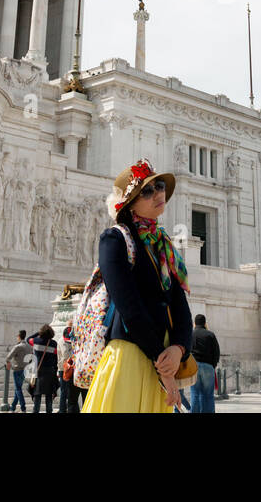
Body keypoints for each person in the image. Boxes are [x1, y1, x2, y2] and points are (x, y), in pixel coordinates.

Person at [83, 159, 193, 413]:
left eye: (160, 186)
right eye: (147, 191)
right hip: (131, 357)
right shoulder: (114, 239)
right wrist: (162, 362)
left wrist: (179, 348)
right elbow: (129, 306)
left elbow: (180, 305)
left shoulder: (163, 245)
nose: (158, 193)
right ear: (129, 203)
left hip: (164, 360)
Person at [190, 314, 220, 414]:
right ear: (204, 323)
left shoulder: (191, 334)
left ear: (194, 323)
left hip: (194, 366)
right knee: (208, 395)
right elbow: (216, 352)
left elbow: (187, 351)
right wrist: (213, 365)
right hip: (208, 366)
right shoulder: (210, 335)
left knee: (195, 393)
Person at [27, 325, 59, 413]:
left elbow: (28, 339)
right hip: (50, 372)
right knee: (49, 397)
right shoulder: (54, 343)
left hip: (38, 371)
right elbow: (55, 358)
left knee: (37, 396)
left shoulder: (36, 341)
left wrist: (38, 333)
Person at [6, 330, 31, 413]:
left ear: (19, 336)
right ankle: (13, 407)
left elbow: (8, 356)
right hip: (25, 370)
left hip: (17, 370)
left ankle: (23, 407)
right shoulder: (29, 347)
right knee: (18, 389)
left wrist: (8, 362)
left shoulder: (18, 346)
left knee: (18, 389)